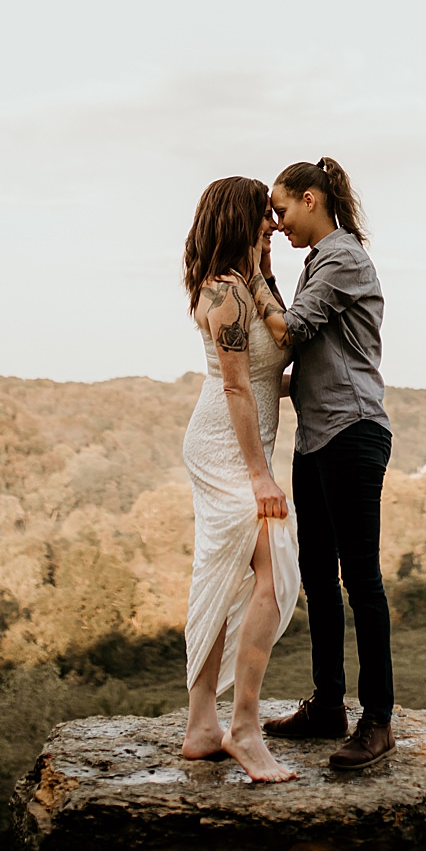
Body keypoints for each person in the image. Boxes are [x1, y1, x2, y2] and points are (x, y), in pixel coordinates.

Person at [248, 157, 396, 770]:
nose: (277, 223)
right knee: (317, 572)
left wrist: (255, 277)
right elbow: (308, 359)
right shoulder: (318, 263)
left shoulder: (340, 258)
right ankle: (329, 705)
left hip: (353, 431)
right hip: (317, 438)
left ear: (312, 199)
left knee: (359, 579)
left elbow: (290, 333)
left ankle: (378, 720)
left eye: (281, 210)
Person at [180, 175, 300, 783]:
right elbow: (233, 385)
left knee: (228, 578)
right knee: (271, 580)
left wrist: (267, 269)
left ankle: (202, 726)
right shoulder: (224, 292)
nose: (273, 224)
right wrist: (261, 477)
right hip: (227, 448)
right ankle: (244, 730)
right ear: (240, 217)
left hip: (244, 435)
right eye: (264, 216)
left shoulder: (246, 283)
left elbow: (268, 365)